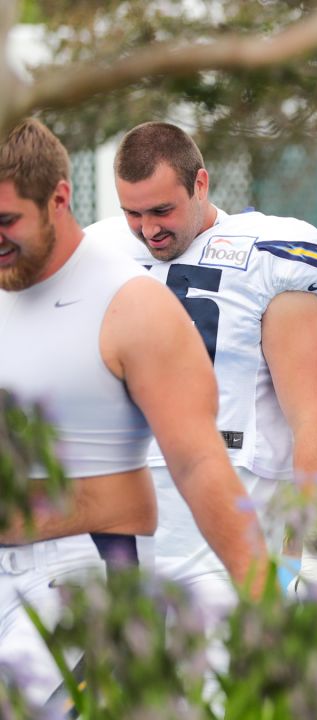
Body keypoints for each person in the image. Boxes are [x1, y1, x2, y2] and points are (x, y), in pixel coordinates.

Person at [0, 119, 267, 705]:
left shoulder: (132, 305)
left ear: (59, 200)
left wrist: (265, 603)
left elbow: (201, 463)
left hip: (81, 577)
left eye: (7, 221)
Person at [84, 121, 317, 615]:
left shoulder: (269, 252)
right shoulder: (98, 250)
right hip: (117, 517)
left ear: (200, 184)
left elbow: (313, 415)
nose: (149, 229)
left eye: (162, 210)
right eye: (132, 213)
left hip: (226, 524)